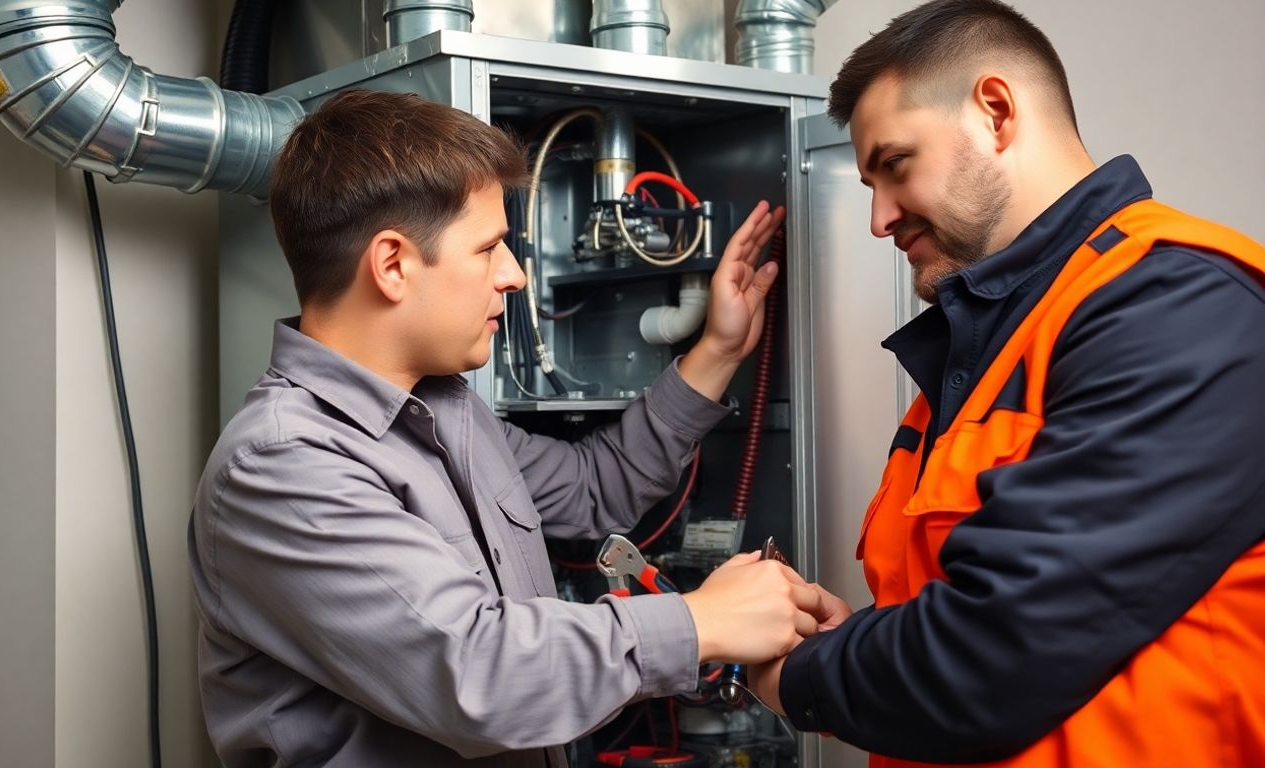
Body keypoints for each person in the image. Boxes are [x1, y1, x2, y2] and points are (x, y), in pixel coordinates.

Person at [188, 88, 825, 767]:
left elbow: (593, 489)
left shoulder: (449, 413)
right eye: (489, 247)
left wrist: (718, 351)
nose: (515, 275)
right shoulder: (284, 464)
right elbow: (479, 675)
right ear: (393, 263)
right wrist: (700, 622)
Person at [749, 0, 1265, 766]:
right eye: (867, 184)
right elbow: (962, 602)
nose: (879, 218)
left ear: (995, 112)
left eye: (895, 165)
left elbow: (995, 654)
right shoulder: (984, 357)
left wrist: (793, 674)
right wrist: (851, 635)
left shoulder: (1176, 304)